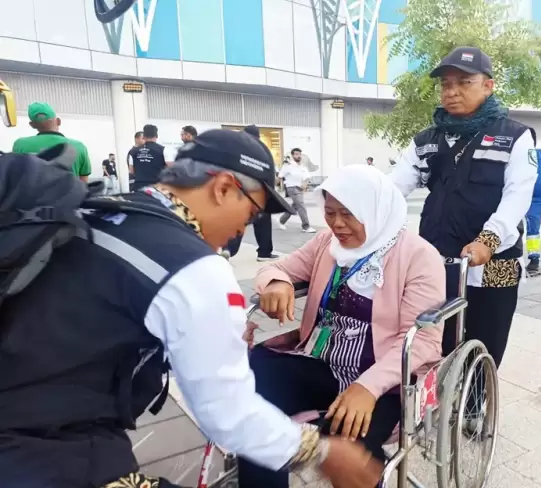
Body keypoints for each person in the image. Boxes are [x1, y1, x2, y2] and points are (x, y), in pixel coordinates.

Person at [0, 130, 383, 488]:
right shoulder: (194, 268)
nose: (240, 231)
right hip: (48, 449)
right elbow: (227, 412)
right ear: (222, 188)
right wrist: (322, 453)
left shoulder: (103, 211)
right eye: (249, 215)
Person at [238, 165, 445, 487]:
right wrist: (278, 282)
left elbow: (424, 341)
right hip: (321, 361)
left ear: (374, 210)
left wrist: (367, 387)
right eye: (330, 212)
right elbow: (277, 268)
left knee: (350, 445)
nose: (336, 224)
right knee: (252, 402)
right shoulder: (326, 243)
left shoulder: (419, 256)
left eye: (348, 214)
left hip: (382, 380)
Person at [390, 46, 537, 369]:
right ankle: (434, 406)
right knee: (433, 340)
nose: (452, 91)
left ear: (488, 85)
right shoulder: (426, 139)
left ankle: (476, 410)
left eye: (464, 82)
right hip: (436, 257)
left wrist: (489, 239)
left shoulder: (514, 137)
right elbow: (394, 188)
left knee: (485, 344)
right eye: (445, 84)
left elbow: (517, 196)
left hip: (492, 260)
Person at [224, 125, 280, 262]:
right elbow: (269, 171)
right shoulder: (262, 149)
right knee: (263, 223)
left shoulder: (237, 148)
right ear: (258, 135)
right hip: (260, 192)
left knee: (238, 221)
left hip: (240, 191)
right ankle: (264, 253)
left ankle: (227, 249)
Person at [12, 102, 92, 182]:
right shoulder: (78, 146)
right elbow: (83, 183)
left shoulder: (20, 145)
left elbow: (15, 176)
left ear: (32, 125)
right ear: (58, 121)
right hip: (68, 194)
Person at [279, 148, 316, 233]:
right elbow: (280, 176)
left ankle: (282, 220)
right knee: (301, 206)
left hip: (300, 188)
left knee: (295, 206)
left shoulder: (302, 166)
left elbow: (307, 177)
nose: (298, 156)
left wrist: (305, 184)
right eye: (296, 154)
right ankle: (306, 226)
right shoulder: (287, 166)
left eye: (299, 154)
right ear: (292, 155)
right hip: (292, 188)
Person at [128, 124, 168, 191]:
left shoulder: (133, 151)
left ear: (144, 136)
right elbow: (170, 168)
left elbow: (131, 171)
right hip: (157, 187)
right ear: (156, 136)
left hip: (139, 186)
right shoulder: (163, 150)